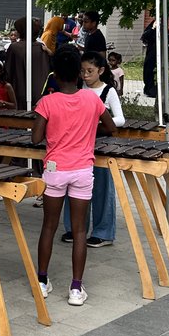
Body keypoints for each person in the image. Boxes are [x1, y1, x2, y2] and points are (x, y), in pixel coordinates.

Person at [31, 47, 117, 306]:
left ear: (55, 74)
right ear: (79, 74)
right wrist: (90, 132)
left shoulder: (47, 102)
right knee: (80, 230)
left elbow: (36, 138)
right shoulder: (92, 100)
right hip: (82, 171)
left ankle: (43, 281)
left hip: (56, 170)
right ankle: (76, 289)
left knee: (49, 226)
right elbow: (111, 127)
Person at [63, 50, 125, 249]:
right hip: (78, 143)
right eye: (82, 71)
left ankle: (103, 232)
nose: (85, 75)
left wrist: (94, 122)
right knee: (72, 186)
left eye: (90, 71)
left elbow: (120, 119)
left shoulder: (109, 91)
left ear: (101, 70)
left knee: (101, 188)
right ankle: (74, 227)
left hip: (101, 143)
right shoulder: (78, 88)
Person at [141, 18, 158, 99]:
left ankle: (156, 89)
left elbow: (167, 39)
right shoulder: (151, 29)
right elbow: (145, 36)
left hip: (160, 54)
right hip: (151, 53)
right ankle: (149, 89)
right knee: (149, 71)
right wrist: (153, 28)